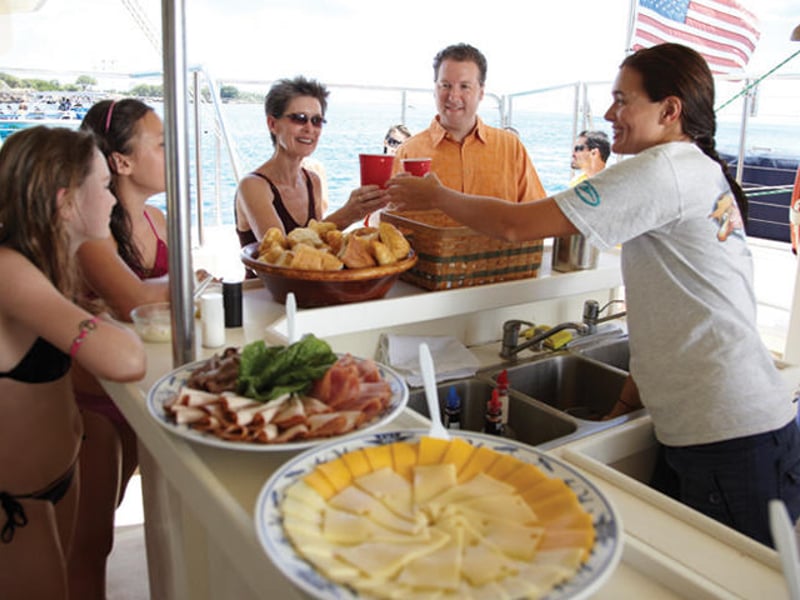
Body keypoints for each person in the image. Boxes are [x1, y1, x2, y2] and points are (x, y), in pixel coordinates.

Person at [386, 42, 800, 548]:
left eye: (622, 100)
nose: (608, 114)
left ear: (669, 111)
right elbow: (672, 315)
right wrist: (621, 403)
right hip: (728, 425)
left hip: (727, 438)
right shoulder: (694, 168)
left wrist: (436, 194)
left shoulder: (659, 169)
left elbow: (517, 225)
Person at [0, 126, 146, 599]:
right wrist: (104, 323)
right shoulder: (10, 270)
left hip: (55, 477)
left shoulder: (48, 265)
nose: (113, 200)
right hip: (17, 500)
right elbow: (124, 360)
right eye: (104, 186)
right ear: (65, 203)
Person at [71, 98, 172, 598]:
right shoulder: (93, 233)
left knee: (113, 517)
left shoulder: (157, 220)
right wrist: (189, 283)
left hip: (139, 387)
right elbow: (133, 300)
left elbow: (159, 296)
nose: (172, 153)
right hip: (94, 399)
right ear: (121, 162)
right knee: (89, 540)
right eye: (161, 144)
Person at [234, 76, 391, 249]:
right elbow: (280, 252)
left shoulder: (313, 181)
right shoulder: (253, 186)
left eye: (317, 121)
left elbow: (316, 247)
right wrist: (347, 215)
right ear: (272, 124)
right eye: (299, 118)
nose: (309, 128)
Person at [391, 43, 546, 203]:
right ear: (435, 90)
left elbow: (536, 212)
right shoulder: (408, 153)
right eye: (445, 86)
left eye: (464, 86)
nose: (453, 96)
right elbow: (387, 213)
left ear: (481, 92)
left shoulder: (511, 148)